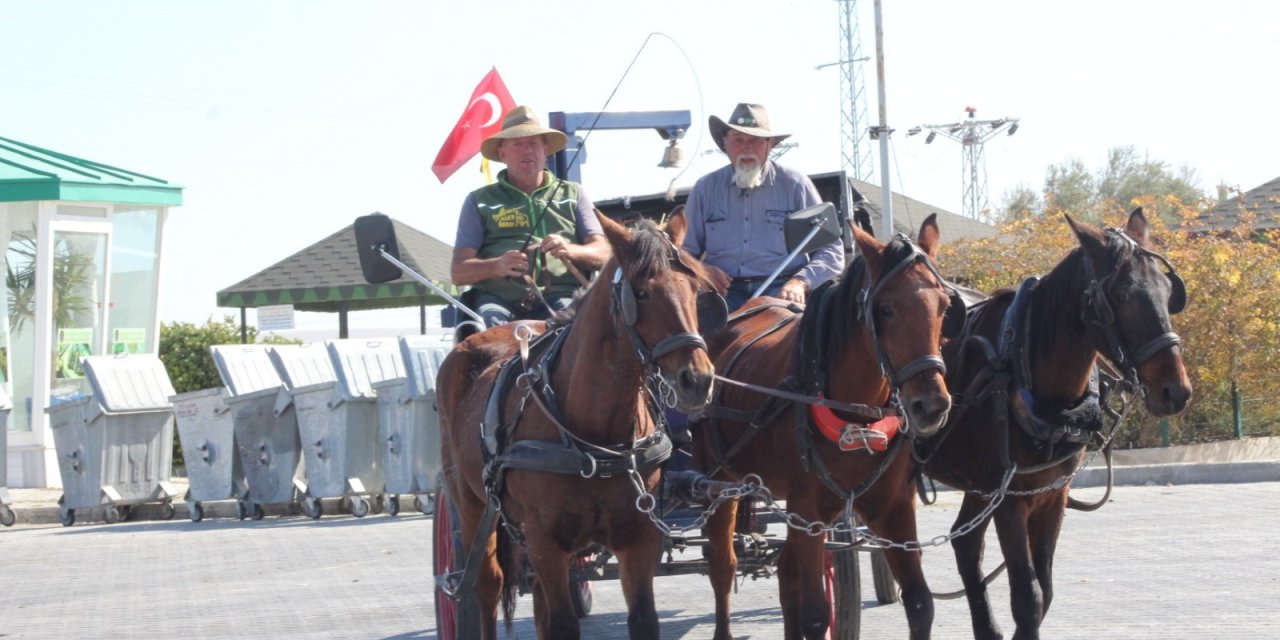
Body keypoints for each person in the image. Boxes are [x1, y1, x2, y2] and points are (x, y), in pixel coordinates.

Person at [451, 105, 612, 326]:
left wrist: (569, 250)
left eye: (533, 144)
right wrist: (497, 266)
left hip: (563, 298)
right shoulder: (479, 201)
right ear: (502, 154)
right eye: (518, 144)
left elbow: (604, 254)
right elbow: (458, 272)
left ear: (545, 150)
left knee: (573, 326)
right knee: (489, 327)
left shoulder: (574, 194)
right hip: (498, 302)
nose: (526, 151)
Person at [682, 103, 845, 311]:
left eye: (755, 140)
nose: (747, 148)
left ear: (770, 145)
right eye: (738, 139)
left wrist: (801, 281)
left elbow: (831, 249)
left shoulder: (795, 185)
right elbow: (682, 252)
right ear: (725, 142)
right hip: (722, 295)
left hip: (782, 293)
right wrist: (703, 271)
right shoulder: (705, 189)